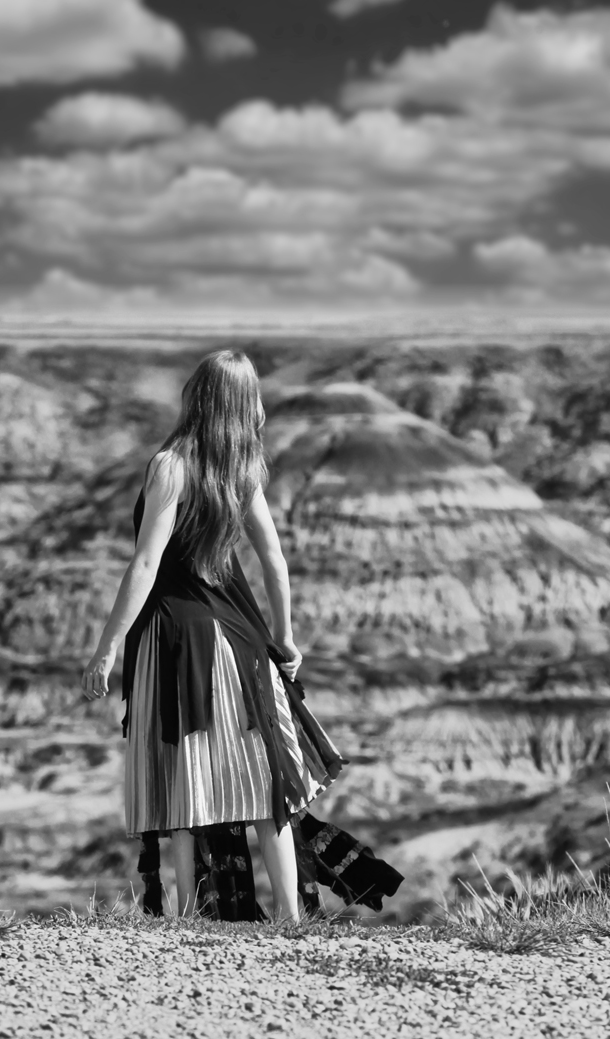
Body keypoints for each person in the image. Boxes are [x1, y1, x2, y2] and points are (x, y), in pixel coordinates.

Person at [81, 348, 403, 922]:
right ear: (243, 403)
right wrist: (285, 638)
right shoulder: (244, 467)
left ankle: (185, 918)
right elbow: (275, 561)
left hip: (174, 636)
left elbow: (147, 563)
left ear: (195, 396)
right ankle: (290, 920)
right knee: (264, 783)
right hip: (241, 639)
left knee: (185, 782)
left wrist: (107, 648)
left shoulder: (170, 465)